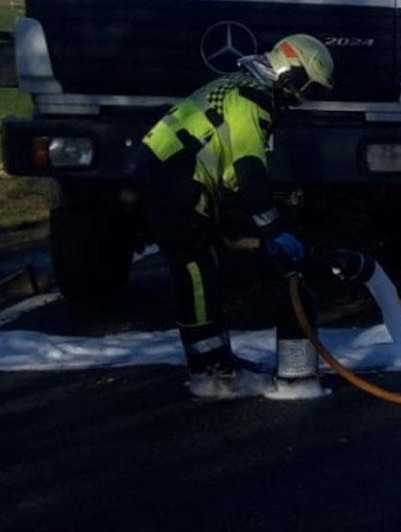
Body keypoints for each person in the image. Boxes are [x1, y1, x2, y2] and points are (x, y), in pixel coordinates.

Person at [131, 33, 335, 397]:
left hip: (171, 176)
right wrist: (273, 229)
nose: (303, 97)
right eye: (306, 86)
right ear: (290, 71)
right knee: (196, 272)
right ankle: (210, 373)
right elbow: (249, 170)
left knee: (203, 267)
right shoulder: (251, 97)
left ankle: (217, 364)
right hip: (175, 181)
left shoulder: (240, 86)